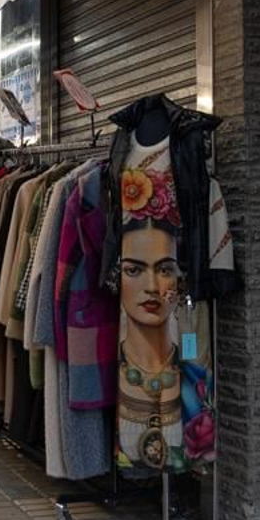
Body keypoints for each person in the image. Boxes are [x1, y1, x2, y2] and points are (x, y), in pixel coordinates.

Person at [114, 169, 215, 472]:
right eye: (134, 270)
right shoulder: (106, 367)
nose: (152, 287)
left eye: (165, 270)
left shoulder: (196, 374)